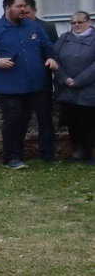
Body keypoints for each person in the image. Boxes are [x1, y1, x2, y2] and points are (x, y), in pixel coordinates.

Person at [0, 0, 59, 169]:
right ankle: (11, 158)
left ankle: (20, 153)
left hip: (34, 84)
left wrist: (50, 58)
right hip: (8, 85)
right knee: (13, 120)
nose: (24, 9)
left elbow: (47, 46)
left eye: (25, 6)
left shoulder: (33, 26)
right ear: (7, 8)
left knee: (24, 120)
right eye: (19, 6)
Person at [54, 10, 95, 164]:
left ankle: (87, 153)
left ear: (89, 22)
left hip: (89, 88)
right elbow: (53, 58)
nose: (76, 25)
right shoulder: (64, 38)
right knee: (72, 121)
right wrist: (64, 78)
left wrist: (78, 81)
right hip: (67, 89)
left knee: (89, 122)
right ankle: (77, 151)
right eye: (73, 22)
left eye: (80, 22)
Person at [32, 0, 60, 163]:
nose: (24, 14)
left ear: (35, 10)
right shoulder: (14, 27)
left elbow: (54, 51)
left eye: (27, 11)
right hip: (22, 83)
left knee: (45, 119)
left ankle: (47, 153)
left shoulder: (47, 27)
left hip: (43, 81)